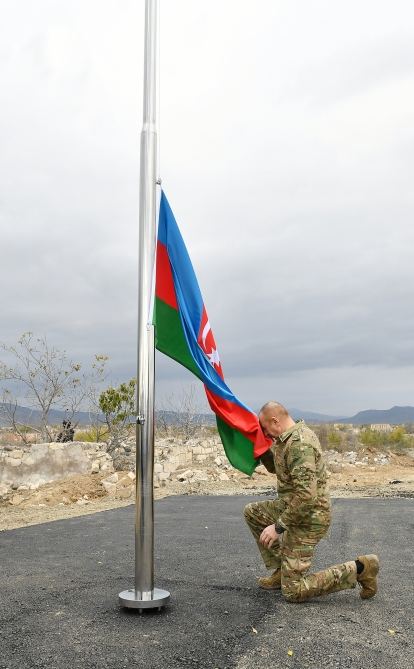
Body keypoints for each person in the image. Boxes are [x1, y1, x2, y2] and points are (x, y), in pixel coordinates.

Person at [244, 401, 379, 603]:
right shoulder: (284, 440)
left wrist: (278, 527)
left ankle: (360, 569)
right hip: (292, 507)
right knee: (252, 512)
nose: (265, 433)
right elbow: (277, 469)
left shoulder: (300, 443)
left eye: (264, 429)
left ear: (275, 421)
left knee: (293, 591)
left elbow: (307, 497)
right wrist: (261, 449)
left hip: (310, 517)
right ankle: (282, 570)